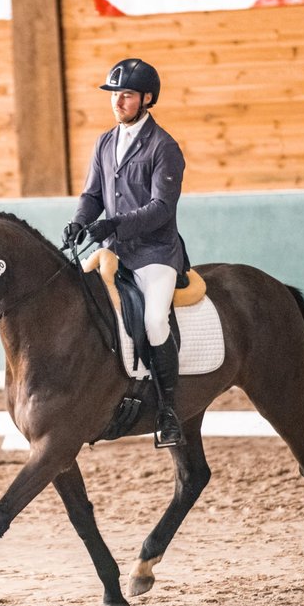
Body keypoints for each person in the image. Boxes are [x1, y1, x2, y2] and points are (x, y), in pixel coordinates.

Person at [63, 58, 187, 448]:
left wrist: (113, 225)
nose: (118, 101)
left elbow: (161, 209)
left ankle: (168, 412)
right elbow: (93, 195)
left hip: (154, 254)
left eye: (127, 95)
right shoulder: (104, 141)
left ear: (147, 99)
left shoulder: (164, 147)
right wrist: (80, 221)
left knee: (154, 322)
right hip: (112, 251)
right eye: (114, 94)